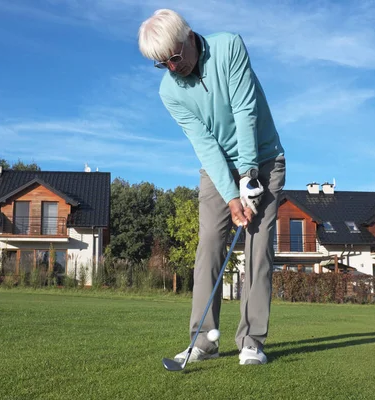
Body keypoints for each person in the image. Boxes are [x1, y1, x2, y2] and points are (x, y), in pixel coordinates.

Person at [138, 9, 286, 365]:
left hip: (264, 159)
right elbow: (204, 143)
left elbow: (244, 110)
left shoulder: (229, 47)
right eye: (163, 64)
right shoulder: (169, 90)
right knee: (208, 246)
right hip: (217, 170)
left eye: (173, 57)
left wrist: (250, 175)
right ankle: (203, 341)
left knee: (258, 249)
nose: (173, 68)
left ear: (188, 36)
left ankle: (251, 342)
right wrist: (233, 195)